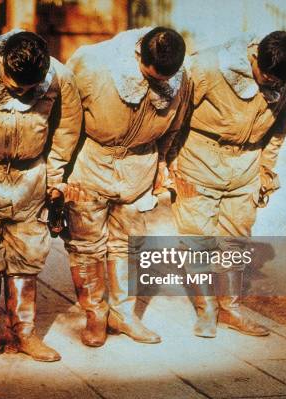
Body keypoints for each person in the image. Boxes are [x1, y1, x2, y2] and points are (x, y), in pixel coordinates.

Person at [0, 30, 82, 367]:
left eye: (27, 90)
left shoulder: (60, 78)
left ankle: (23, 333)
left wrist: (56, 178)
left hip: (31, 181)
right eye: (13, 85)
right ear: (0, 62)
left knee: (27, 258)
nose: (21, 93)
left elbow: (66, 130)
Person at [172, 31, 286, 338]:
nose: (272, 86)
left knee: (236, 239)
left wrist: (266, 170)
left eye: (279, 83)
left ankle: (230, 309)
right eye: (268, 78)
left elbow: (279, 132)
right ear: (254, 58)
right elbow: (176, 116)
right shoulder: (207, 67)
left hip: (246, 165)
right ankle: (206, 310)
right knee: (197, 240)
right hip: (199, 158)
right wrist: (169, 164)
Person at [64, 27, 193, 347]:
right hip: (92, 163)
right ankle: (96, 315)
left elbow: (174, 126)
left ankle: (123, 314)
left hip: (138, 168)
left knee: (127, 245)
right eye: (151, 76)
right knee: (86, 246)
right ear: (138, 54)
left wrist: (161, 163)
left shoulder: (180, 76)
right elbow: (64, 115)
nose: (160, 84)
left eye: (166, 78)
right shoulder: (91, 61)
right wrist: (60, 172)